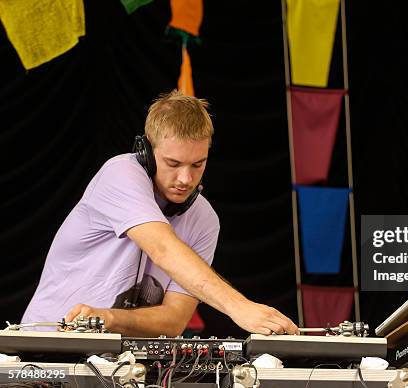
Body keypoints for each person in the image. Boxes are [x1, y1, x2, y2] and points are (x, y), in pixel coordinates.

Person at [22, 90, 298, 337]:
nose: (185, 179)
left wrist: (108, 318)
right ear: (146, 152)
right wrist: (239, 307)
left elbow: (173, 322)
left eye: (197, 164)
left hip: (118, 364)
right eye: (173, 163)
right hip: (44, 345)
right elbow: (162, 248)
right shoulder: (120, 173)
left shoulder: (204, 219)